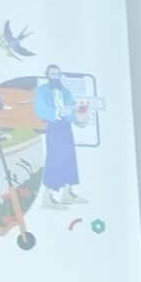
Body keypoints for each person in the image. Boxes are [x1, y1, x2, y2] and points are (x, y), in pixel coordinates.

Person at [33, 63, 85, 207]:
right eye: (53, 74)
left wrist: (78, 120)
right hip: (53, 125)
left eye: (58, 74)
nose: (55, 77)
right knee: (54, 159)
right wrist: (58, 111)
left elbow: (72, 110)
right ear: (48, 75)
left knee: (69, 157)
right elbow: (40, 110)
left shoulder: (66, 91)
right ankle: (48, 196)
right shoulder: (42, 91)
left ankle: (68, 193)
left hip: (66, 126)